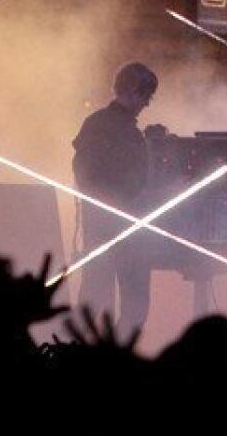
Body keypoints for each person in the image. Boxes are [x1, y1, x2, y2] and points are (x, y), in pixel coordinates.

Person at [72, 62, 158, 338]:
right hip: (112, 227)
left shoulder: (110, 126)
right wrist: (115, 206)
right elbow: (85, 175)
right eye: (145, 97)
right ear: (133, 91)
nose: (146, 104)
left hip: (116, 227)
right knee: (121, 303)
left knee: (105, 300)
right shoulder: (102, 126)